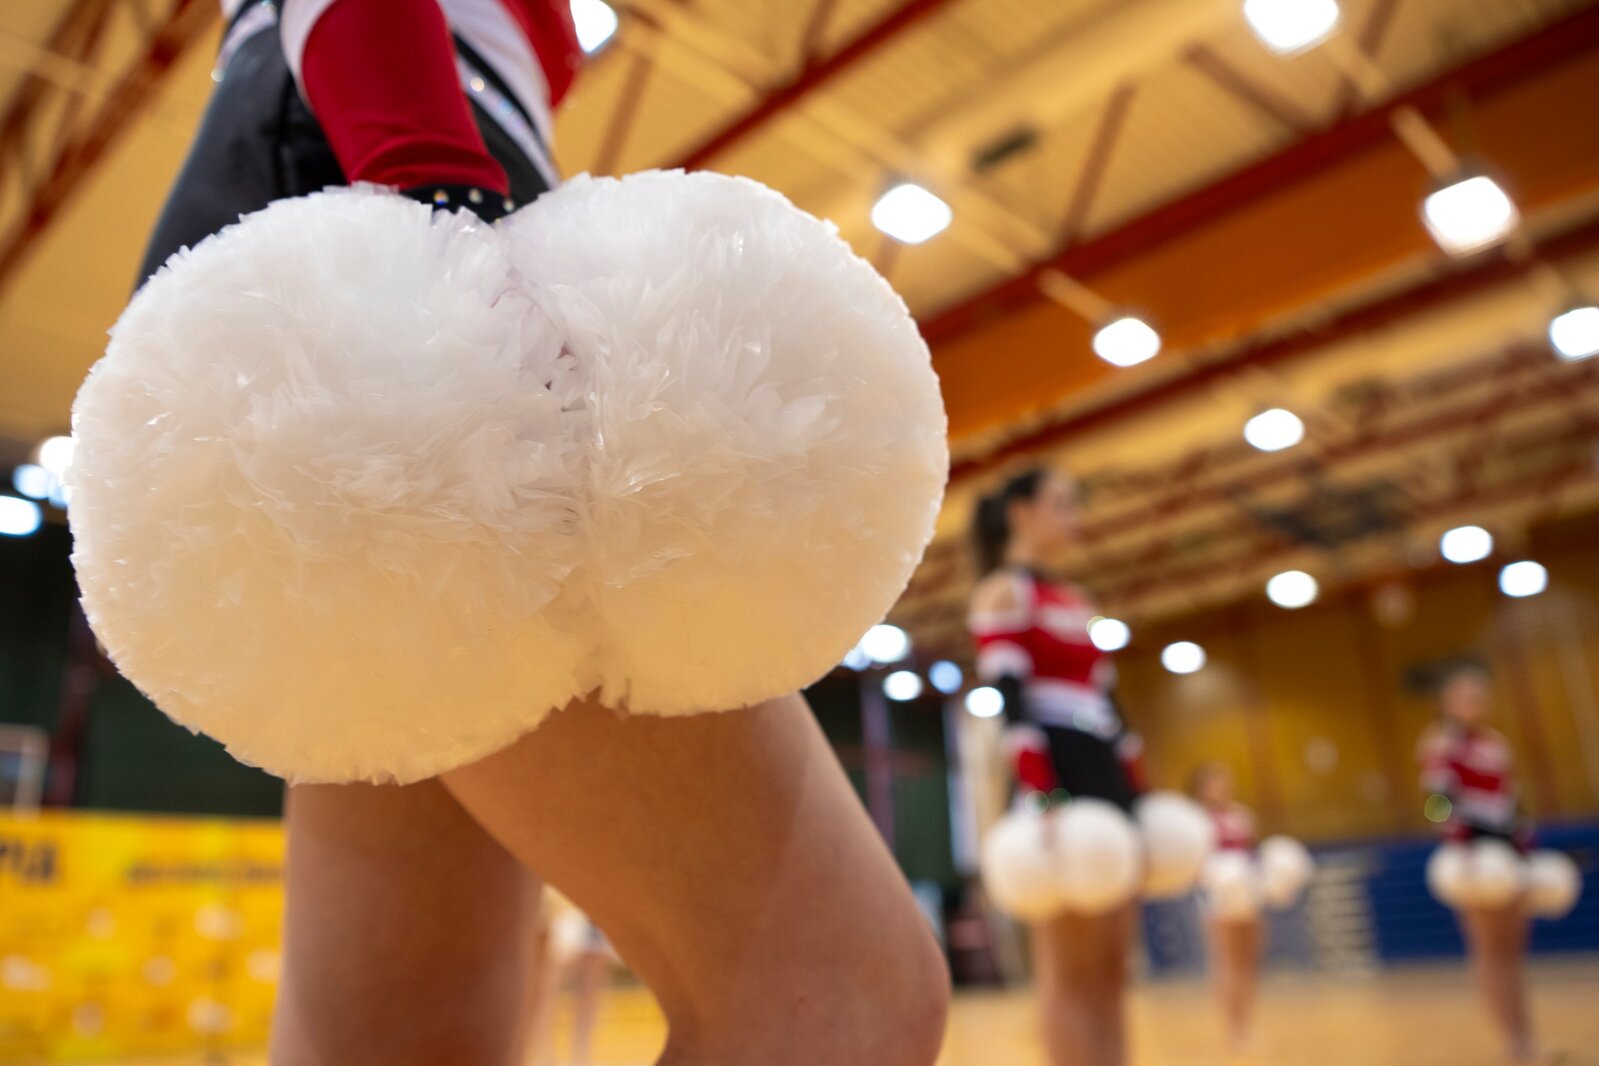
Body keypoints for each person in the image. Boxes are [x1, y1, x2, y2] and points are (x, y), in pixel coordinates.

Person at [137, 4, 950, 1064]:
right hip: (387, 180)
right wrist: (444, 209)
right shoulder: (426, 222)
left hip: (351, 176)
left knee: (405, 1036)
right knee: (833, 992)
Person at [967, 467, 1148, 1066]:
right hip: (1055, 768)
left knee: (1113, 965)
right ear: (1021, 511)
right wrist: (1042, 794)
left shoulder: (1079, 599)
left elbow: (1110, 702)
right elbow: (1011, 706)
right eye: (1061, 504)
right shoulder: (1003, 593)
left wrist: (1140, 791)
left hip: (1105, 768)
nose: (1074, 517)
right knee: (1069, 967)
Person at [1416, 662, 1537, 1063]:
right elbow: (1437, 803)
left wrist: (1524, 848)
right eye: (1465, 697)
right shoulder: (1441, 745)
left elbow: (1513, 801)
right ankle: (1510, 1039)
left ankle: (1525, 1034)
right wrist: (1458, 846)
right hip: (1474, 853)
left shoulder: (1496, 744)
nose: (1474, 703)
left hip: (1505, 851)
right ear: (1449, 703)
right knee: (1489, 950)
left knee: (1514, 950)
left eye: (1479, 695)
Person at [1191, 762, 1262, 1052]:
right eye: (1214, 782)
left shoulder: (1242, 814)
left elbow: (1253, 852)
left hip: (1247, 892)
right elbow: (1194, 862)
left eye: (1224, 781)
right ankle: (1234, 1028)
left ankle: (1247, 1022)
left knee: (1248, 963)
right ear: (1202, 788)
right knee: (1228, 962)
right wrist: (1215, 878)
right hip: (1217, 896)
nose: (1221, 787)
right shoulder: (1196, 820)